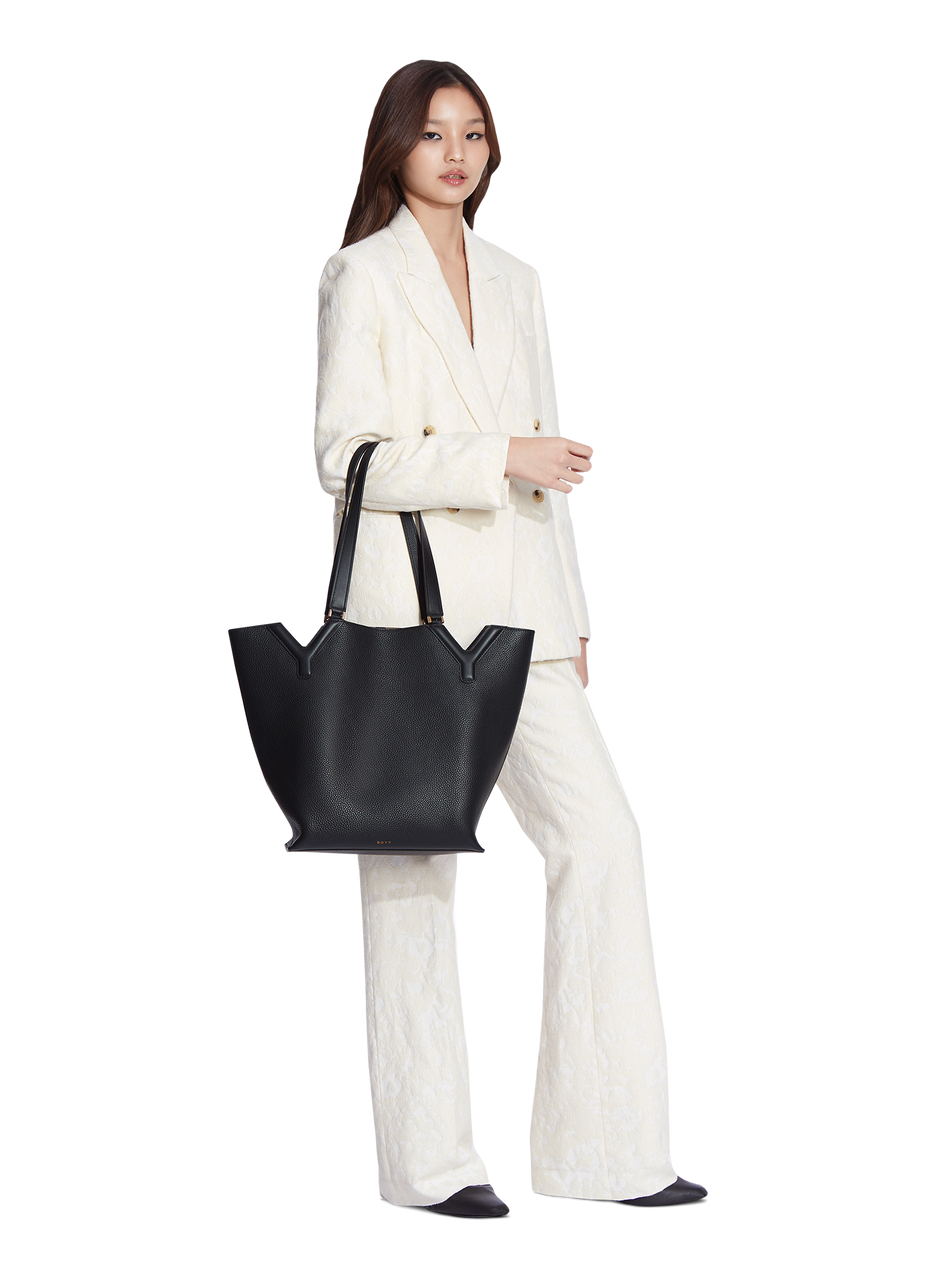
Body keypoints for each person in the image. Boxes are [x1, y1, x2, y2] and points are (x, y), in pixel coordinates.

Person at [312, 57, 710, 1218]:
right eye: (432, 132)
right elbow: (343, 457)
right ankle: (432, 1166)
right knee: (412, 880)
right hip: (409, 614)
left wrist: (575, 616)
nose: (454, 152)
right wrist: (496, 458)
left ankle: (607, 1154)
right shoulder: (358, 274)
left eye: (473, 133)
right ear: (394, 146)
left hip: (527, 616)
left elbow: (551, 472)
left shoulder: (518, 278)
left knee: (605, 841)